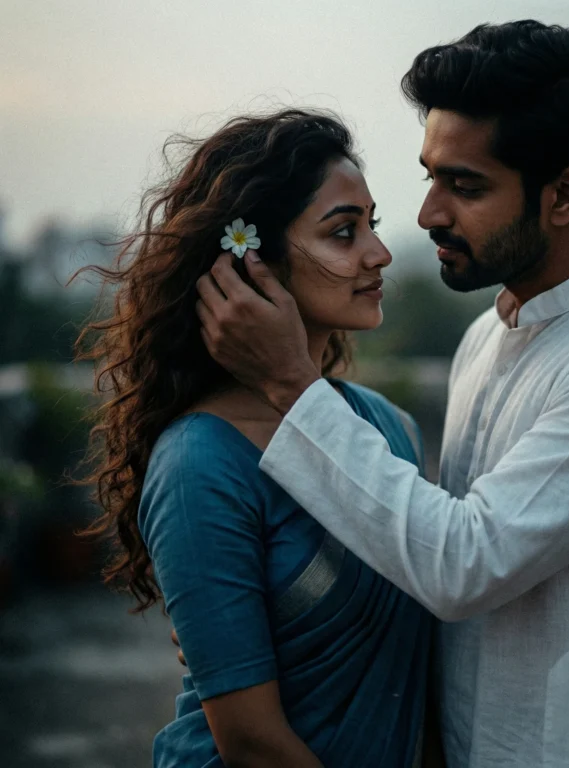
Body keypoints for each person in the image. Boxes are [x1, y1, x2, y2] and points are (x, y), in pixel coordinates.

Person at [195, 21, 569, 768]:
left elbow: (460, 563)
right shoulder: (487, 336)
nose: (429, 213)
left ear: (565, 194)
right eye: (430, 176)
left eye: (465, 185)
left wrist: (288, 381)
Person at [76, 109, 436, 767]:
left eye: (371, 226)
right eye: (343, 232)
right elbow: (250, 744)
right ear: (253, 266)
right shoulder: (201, 464)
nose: (379, 254)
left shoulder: (390, 430)